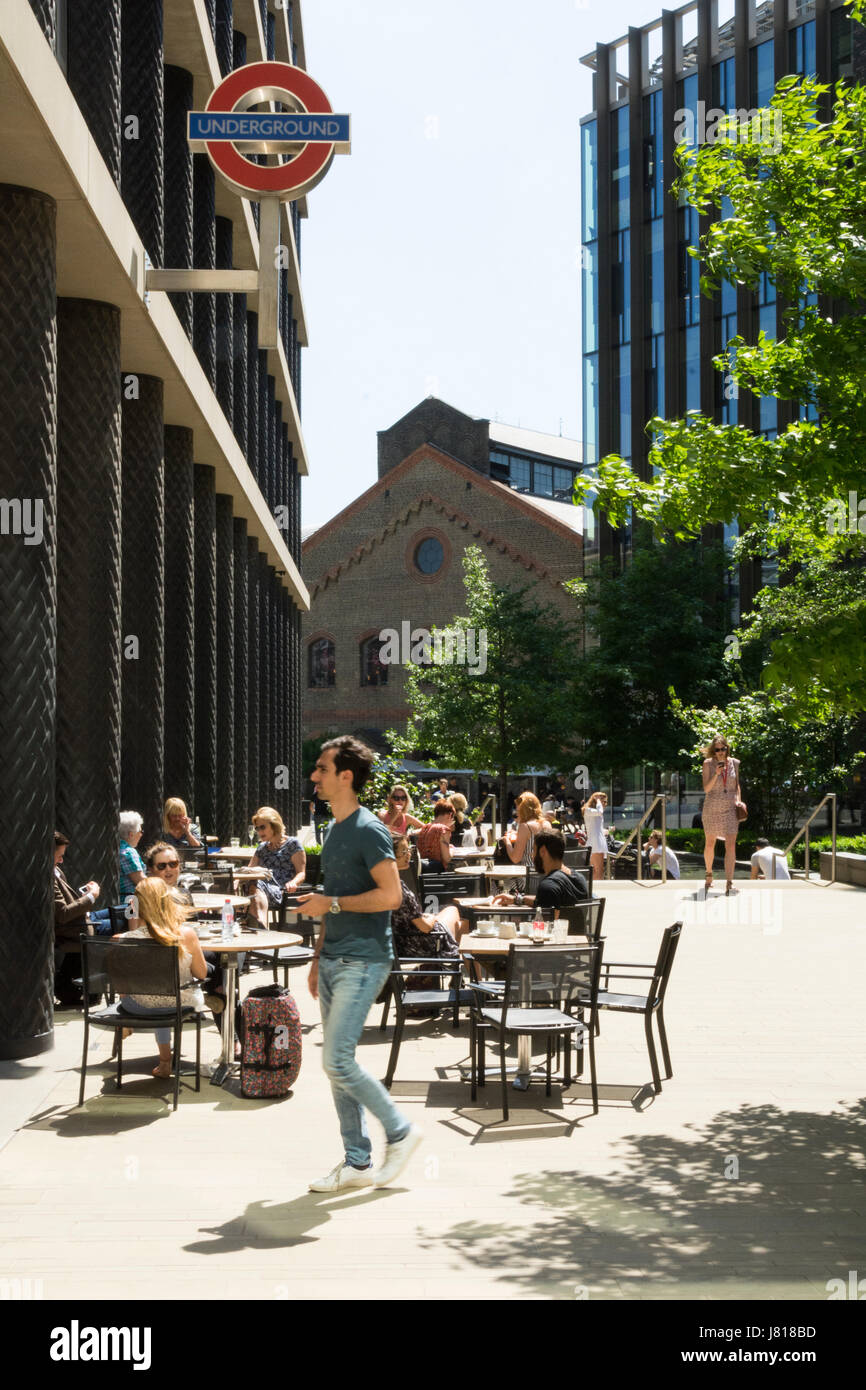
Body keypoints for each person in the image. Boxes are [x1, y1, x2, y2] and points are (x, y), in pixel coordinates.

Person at [300, 735, 422, 1192]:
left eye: (322, 769)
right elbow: (333, 900)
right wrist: (316, 958)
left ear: (345, 776)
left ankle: (401, 1132)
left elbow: (391, 897)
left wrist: (330, 905)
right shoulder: (334, 829)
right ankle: (357, 1162)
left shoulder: (369, 829)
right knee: (337, 1065)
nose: (314, 776)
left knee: (337, 1060)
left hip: (365, 960)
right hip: (334, 958)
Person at [116, 877, 210, 1080]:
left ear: (137, 904)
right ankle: (166, 1061)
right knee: (168, 994)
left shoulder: (124, 940)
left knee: (153, 993)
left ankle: (163, 1059)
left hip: (137, 1006)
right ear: (168, 901)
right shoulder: (187, 934)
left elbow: (120, 984)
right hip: (182, 1003)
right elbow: (202, 974)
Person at [145, 841, 226, 1015]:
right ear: (151, 869)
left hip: (186, 947)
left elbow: (193, 925)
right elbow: (136, 931)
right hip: (164, 954)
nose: (168, 869)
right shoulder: (142, 896)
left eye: (173, 864)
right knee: (224, 962)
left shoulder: (183, 894)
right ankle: (215, 992)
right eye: (162, 865)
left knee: (228, 957)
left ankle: (216, 993)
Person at [392, 836, 464, 956]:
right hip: (419, 944)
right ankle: (462, 971)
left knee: (461, 924)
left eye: (409, 850)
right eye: (404, 851)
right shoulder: (398, 887)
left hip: (400, 944)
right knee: (453, 911)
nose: (408, 854)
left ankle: (434, 973)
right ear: (390, 855)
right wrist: (433, 918)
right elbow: (425, 927)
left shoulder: (382, 885)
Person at [53, 831, 101, 1006]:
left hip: (84, 918)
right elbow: (63, 913)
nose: (61, 860)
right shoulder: (50, 876)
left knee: (128, 909)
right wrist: (91, 897)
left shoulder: (56, 870)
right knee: (122, 919)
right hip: (76, 927)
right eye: (59, 856)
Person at [492, 831, 588, 910]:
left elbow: (546, 926)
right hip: (577, 932)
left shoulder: (549, 886)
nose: (532, 856)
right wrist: (516, 899)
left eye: (533, 850)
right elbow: (545, 900)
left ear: (542, 851)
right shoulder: (579, 879)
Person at [244, 807, 306, 925]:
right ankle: (255, 924)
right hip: (259, 887)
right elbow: (249, 869)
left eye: (263, 827)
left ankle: (259, 923)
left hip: (281, 889)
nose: (259, 831)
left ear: (274, 825)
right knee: (239, 884)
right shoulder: (262, 847)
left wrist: (294, 882)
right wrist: (236, 880)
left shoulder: (292, 844)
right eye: (257, 828)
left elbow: (301, 873)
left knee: (255, 884)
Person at [701, 736, 744, 895]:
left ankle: (729, 882)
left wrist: (739, 800)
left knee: (731, 845)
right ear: (714, 750)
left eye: (723, 749)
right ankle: (709, 874)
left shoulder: (735, 763)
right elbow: (706, 788)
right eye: (717, 749)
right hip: (712, 806)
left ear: (727, 748)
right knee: (710, 842)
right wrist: (717, 773)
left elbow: (737, 784)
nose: (720, 752)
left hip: (731, 807)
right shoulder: (707, 764)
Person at [500, 793, 553, 883]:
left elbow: (515, 858)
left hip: (528, 878)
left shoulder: (525, 826)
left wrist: (507, 841)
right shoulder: (547, 824)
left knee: (496, 883)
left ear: (523, 810)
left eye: (518, 810)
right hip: (546, 877)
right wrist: (518, 834)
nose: (517, 813)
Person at [416, 800, 456, 871]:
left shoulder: (425, 828)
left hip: (423, 872)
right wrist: (452, 849)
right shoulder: (443, 829)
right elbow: (447, 858)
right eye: (453, 818)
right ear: (450, 815)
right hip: (437, 874)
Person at [119, 811, 146, 901]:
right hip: (130, 905)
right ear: (131, 834)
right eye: (141, 831)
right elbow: (141, 881)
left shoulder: (118, 847)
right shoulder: (129, 852)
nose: (141, 834)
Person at [582, 792, 609, 880]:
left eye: (605, 802)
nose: (604, 804)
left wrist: (607, 830)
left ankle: (594, 889)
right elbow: (600, 811)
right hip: (595, 842)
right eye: (603, 801)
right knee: (598, 870)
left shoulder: (594, 812)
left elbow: (596, 828)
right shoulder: (588, 810)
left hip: (597, 841)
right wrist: (598, 800)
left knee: (596, 870)